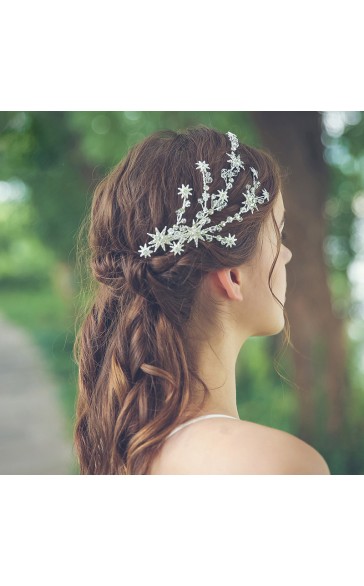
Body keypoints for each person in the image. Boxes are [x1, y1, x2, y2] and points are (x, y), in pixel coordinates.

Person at [73, 125, 330, 475]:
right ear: (232, 275)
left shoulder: (125, 451)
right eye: (278, 232)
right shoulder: (277, 465)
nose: (286, 254)